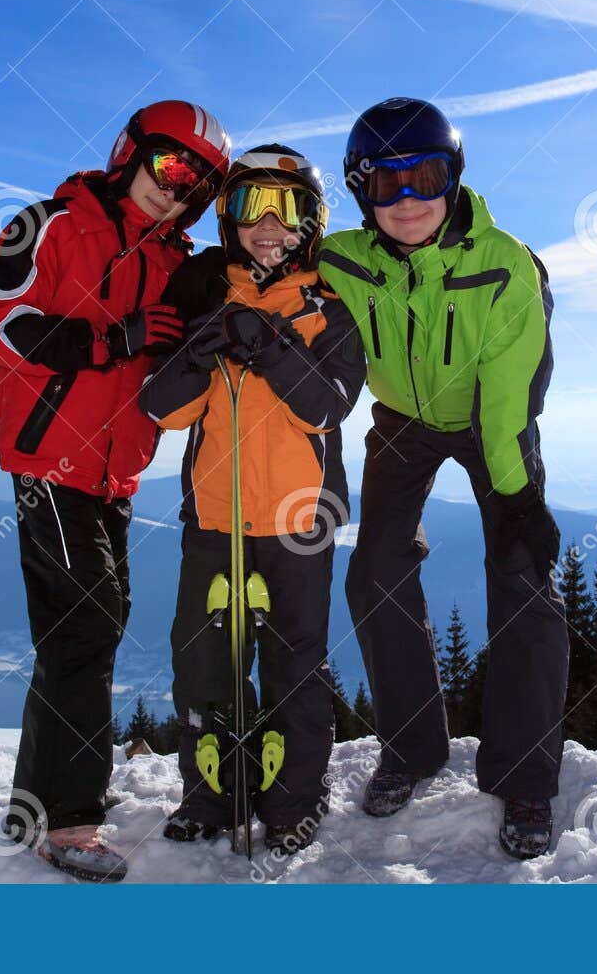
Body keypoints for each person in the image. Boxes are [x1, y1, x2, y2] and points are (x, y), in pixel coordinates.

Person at [0, 100, 231, 882]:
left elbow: (176, 356)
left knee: (83, 627)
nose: (177, 190)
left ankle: (40, 799)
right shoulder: (48, 223)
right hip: (48, 457)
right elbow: (1, 322)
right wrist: (107, 339)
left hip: (114, 469)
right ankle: (70, 819)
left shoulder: (174, 258)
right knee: (90, 618)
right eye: (170, 166)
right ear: (131, 153)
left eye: (198, 186)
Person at [316, 97, 566, 860]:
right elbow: (263, 259)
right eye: (385, 184)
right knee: (374, 572)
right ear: (361, 192)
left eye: (426, 175)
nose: (408, 200)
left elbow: (509, 394)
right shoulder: (342, 259)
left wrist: (519, 497)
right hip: (402, 421)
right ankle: (414, 747)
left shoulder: (503, 265)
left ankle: (524, 774)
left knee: (522, 571)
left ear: (455, 175)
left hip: (493, 417)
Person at [141, 144, 366, 855]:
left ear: (312, 219)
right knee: (204, 660)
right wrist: (204, 347)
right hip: (214, 515)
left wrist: (270, 343)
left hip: (299, 519)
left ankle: (296, 795)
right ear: (227, 218)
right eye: (249, 206)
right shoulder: (208, 295)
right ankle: (212, 792)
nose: (267, 224)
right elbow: (161, 407)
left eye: (287, 207)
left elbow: (328, 406)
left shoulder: (329, 305)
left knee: (294, 663)